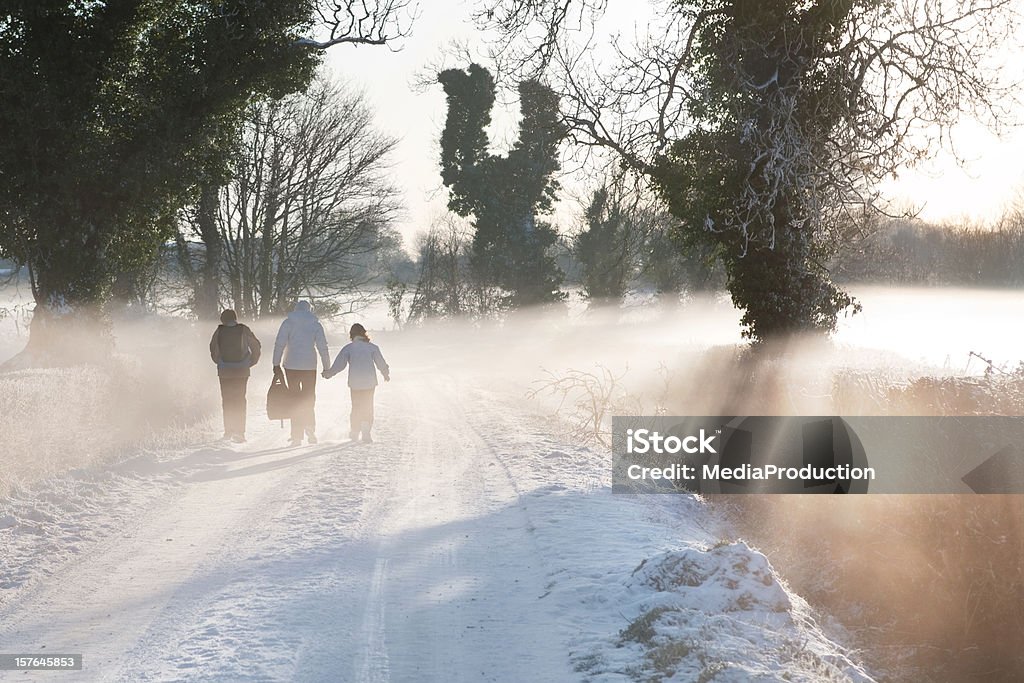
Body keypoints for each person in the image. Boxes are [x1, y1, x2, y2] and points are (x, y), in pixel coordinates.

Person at [273, 300, 330, 446]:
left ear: (296, 310)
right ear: (309, 310)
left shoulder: (288, 323)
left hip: (291, 365)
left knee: (294, 399)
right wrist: (326, 366)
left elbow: (280, 343)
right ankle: (310, 428)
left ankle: (296, 435)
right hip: (309, 366)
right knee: (308, 398)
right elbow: (323, 346)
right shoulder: (315, 325)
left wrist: (276, 363)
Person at [323, 323, 390, 443]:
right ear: (364, 333)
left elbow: (339, 365)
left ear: (351, 334)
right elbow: (380, 362)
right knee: (368, 406)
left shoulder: (348, 348)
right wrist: (385, 373)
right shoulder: (372, 347)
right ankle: (366, 432)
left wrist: (329, 373)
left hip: (355, 383)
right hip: (370, 382)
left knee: (356, 407)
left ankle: (355, 432)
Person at [209, 309, 261, 443]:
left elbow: (213, 348)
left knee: (227, 400)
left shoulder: (219, 331)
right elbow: (256, 345)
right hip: (242, 370)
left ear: (223, 319)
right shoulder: (244, 329)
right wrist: (251, 362)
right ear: (235, 318)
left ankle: (228, 430)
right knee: (240, 400)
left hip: (225, 371)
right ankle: (240, 432)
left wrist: (220, 362)